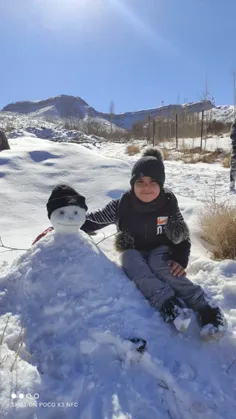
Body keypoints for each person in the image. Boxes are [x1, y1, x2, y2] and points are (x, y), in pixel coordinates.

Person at [80, 147, 225, 338]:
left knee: (159, 264)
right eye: (140, 182)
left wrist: (180, 261)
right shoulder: (121, 205)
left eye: (152, 182)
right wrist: (68, 223)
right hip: (134, 250)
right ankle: (168, 303)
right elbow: (95, 220)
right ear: (132, 183)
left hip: (161, 249)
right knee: (129, 259)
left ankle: (205, 307)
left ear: (161, 183)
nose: (146, 187)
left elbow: (182, 235)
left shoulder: (168, 203)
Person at [229, 120, 236, 191]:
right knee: (233, 168)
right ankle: (232, 183)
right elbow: (232, 135)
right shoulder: (235, 123)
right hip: (235, 150)